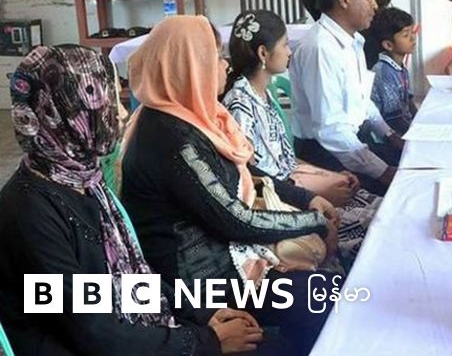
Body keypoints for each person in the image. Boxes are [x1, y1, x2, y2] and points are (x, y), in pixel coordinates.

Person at [0, 44, 263, 355]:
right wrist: (206, 342)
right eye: (110, 100)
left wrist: (199, 313)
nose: (122, 112)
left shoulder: (84, 180)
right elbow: (92, 331)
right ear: (66, 114)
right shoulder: (29, 213)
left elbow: (125, 279)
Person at [120, 16, 337, 356]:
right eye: (215, 56)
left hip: (223, 256)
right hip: (196, 284)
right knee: (320, 293)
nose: (225, 65)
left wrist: (306, 198)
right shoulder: (170, 137)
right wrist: (314, 221)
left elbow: (249, 172)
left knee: (321, 287)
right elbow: (235, 219)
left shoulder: (193, 116)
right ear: (190, 66)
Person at [223, 10, 381, 265]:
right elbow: (252, 178)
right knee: (372, 228)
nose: (290, 52)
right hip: (277, 204)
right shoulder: (240, 105)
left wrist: (328, 175)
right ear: (263, 53)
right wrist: (313, 193)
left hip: (293, 187)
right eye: (285, 45)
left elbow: (284, 158)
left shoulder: (263, 94)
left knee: (378, 205)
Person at [290, 0, 405, 195]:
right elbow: (330, 129)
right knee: (400, 191)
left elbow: (362, 101)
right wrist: (384, 172)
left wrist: (390, 135)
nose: (375, 5)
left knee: (412, 164)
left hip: (353, 143)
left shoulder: (353, 41)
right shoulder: (320, 48)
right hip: (327, 155)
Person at [367, 7, 419, 135]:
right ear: (388, 45)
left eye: (412, 32)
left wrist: (419, 120)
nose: (413, 38)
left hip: (404, 126)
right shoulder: (384, 72)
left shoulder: (399, 67)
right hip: (388, 135)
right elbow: (393, 118)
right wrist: (415, 133)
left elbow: (408, 100)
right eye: (406, 35)